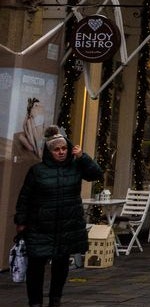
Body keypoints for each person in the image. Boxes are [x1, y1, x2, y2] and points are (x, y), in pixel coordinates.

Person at [15, 127, 104, 307]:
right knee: (36, 266)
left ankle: (55, 299)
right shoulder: (37, 171)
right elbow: (25, 196)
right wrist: (21, 221)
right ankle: (35, 302)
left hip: (67, 224)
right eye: (57, 149)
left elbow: (96, 174)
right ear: (49, 151)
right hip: (40, 226)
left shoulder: (76, 166)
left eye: (63, 148)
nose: (61, 152)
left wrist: (82, 157)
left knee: (61, 265)